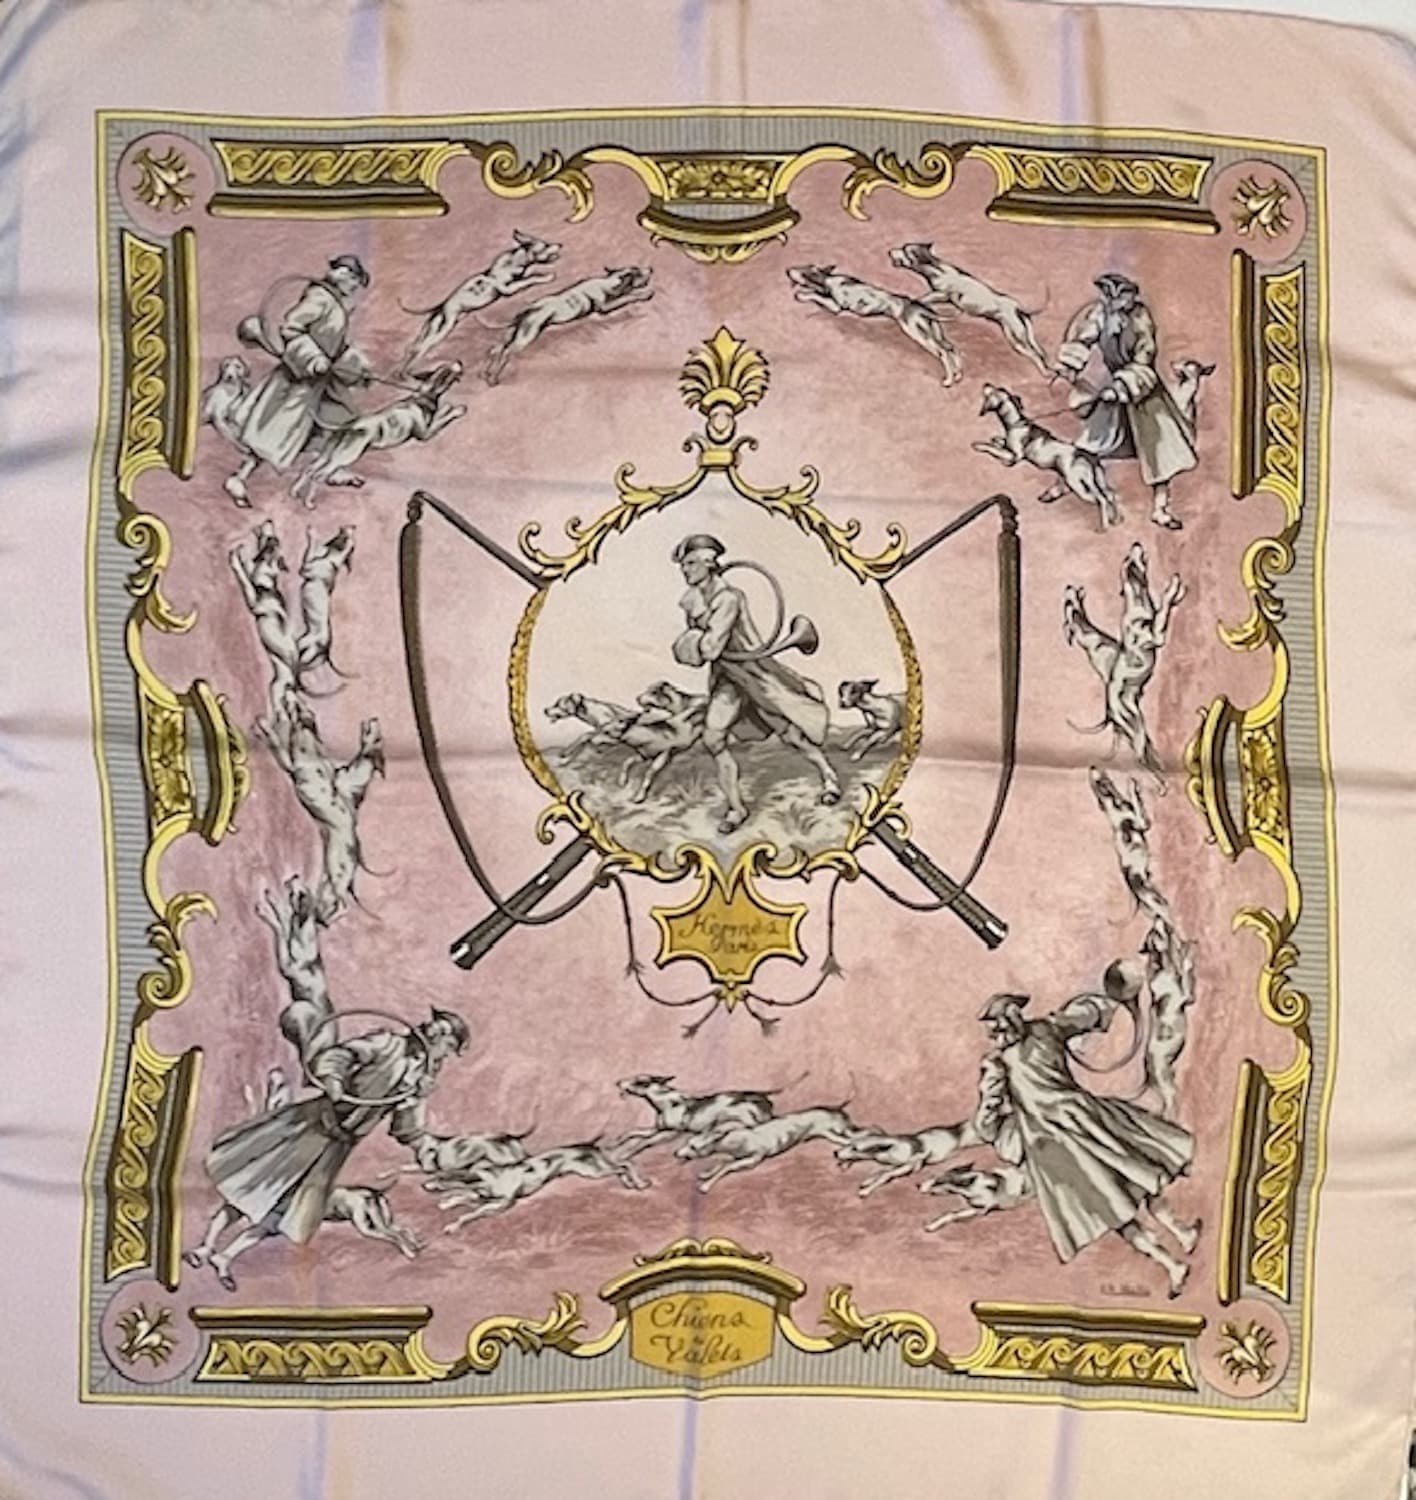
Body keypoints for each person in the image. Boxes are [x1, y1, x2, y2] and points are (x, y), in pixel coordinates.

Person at [184, 1006, 468, 1289]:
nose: (443, 1052)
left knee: (286, 1211)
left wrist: (420, 1130)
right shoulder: (388, 1043)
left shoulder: (419, 1078)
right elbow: (341, 1055)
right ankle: (206, 1246)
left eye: (447, 1048)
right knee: (254, 1185)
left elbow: (405, 1124)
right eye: (445, 1043)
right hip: (308, 1125)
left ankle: (225, 1257)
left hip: (335, 1147)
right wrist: (333, 1078)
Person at [973, 965, 1200, 1296]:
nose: (1004, 1026)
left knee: (1125, 1190)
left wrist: (1116, 998)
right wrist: (1112, 1001)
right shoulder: (1033, 1039)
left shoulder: (1028, 1043)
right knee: (1124, 1190)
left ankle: (1178, 1242)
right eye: (1002, 1021)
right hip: (1068, 1137)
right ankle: (1174, 1254)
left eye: (1005, 1019)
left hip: (1070, 1134)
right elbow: (1087, 1014)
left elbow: (986, 1122)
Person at [670, 533, 839, 833]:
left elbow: (710, 648)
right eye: (684, 564)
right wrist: (694, 645)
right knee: (713, 738)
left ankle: (829, 777)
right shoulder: (692, 600)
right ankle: (737, 808)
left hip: (754, 675)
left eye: (691, 563)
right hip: (728, 679)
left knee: (791, 733)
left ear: (709, 563)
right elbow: (705, 650)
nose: (685, 570)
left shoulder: (729, 599)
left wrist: (688, 644)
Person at [224, 253, 374, 506]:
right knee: (273, 431)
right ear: (345, 275)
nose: (355, 289)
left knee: (339, 419)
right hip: (297, 381)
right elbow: (291, 328)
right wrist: (313, 358)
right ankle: (239, 478)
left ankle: (330, 468)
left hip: (321, 381)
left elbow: (334, 345)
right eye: (355, 283)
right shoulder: (320, 298)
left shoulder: (336, 304)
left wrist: (357, 368)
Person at [1054, 272, 1197, 531]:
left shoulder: (1140, 317)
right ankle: (1065, 482)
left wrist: (1123, 386)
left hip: (1142, 390)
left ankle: (1160, 508)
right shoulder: (1099, 313)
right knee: (1090, 441)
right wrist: (1070, 366)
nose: (1125, 301)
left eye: (1128, 295)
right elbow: (1082, 338)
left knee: (1160, 452)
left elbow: (1145, 355)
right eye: (1118, 296)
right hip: (1113, 390)